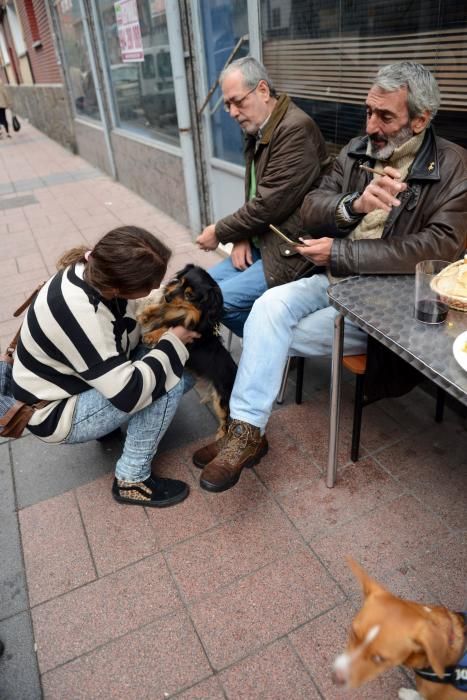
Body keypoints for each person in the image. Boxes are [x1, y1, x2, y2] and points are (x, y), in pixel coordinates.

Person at [193, 61, 467, 493]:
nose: (372, 126)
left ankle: (242, 429)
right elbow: (312, 206)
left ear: (421, 119)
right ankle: (246, 434)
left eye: (386, 116)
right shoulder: (359, 149)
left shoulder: (453, 166)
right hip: (331, 278)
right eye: (368, 112)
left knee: (269, 328)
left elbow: (439, 247)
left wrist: (343, 250)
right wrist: (354, 206)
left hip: (386, 305)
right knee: (267, 309)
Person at [12, 226, 200, 507]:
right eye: (149, 285)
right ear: (118, 288)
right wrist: (174, 340)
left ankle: (109, 428)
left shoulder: (89, 272)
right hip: (53, 413)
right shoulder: (82, 312)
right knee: (172, 378)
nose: (154, 288)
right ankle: (131, 479)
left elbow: (126, 323)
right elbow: (129, 393)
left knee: (160, 360)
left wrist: (171, 302)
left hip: (69, 385)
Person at [196, 56, 329, 336]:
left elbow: (268, 205)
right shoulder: (259, 127)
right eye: (227, 104)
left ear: (263, 91)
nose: (232, 112)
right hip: (262, 243)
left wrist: (220, 232)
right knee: (194, 290)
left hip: (290, 250)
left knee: (214, 304)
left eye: (237, 101)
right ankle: (269, 343)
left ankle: (277, 348)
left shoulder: (294, 129)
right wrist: (243, 235)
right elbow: (258, 193)